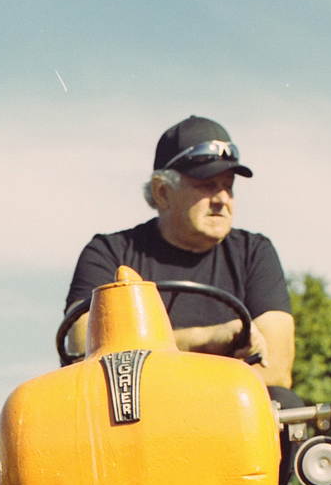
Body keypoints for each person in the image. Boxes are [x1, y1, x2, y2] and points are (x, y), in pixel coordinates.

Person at [64, 116, 296, 392]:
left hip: (227, 410)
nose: (222, 199)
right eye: (206, 184)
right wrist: (209, 339)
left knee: (284, 402)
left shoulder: (254, 252)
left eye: (228, 185)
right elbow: (84, 348)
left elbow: (276, 369)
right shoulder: (109, 253)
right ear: (162, 193)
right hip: (137, 410)